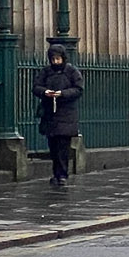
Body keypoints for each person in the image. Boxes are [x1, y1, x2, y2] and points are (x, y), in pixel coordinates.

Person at [33, 45, 85, 188]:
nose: (55, 62)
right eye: (53, 59)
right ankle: (56, 173)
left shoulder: (71, 71)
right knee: (53, 146)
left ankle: (62, 174)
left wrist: (62, 94)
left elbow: (78, 89)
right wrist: (46, 92)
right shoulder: (46, 72)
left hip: (66, 113)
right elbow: (36, 87)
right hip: (50, 113)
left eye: (58, 58)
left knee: (63, 146)